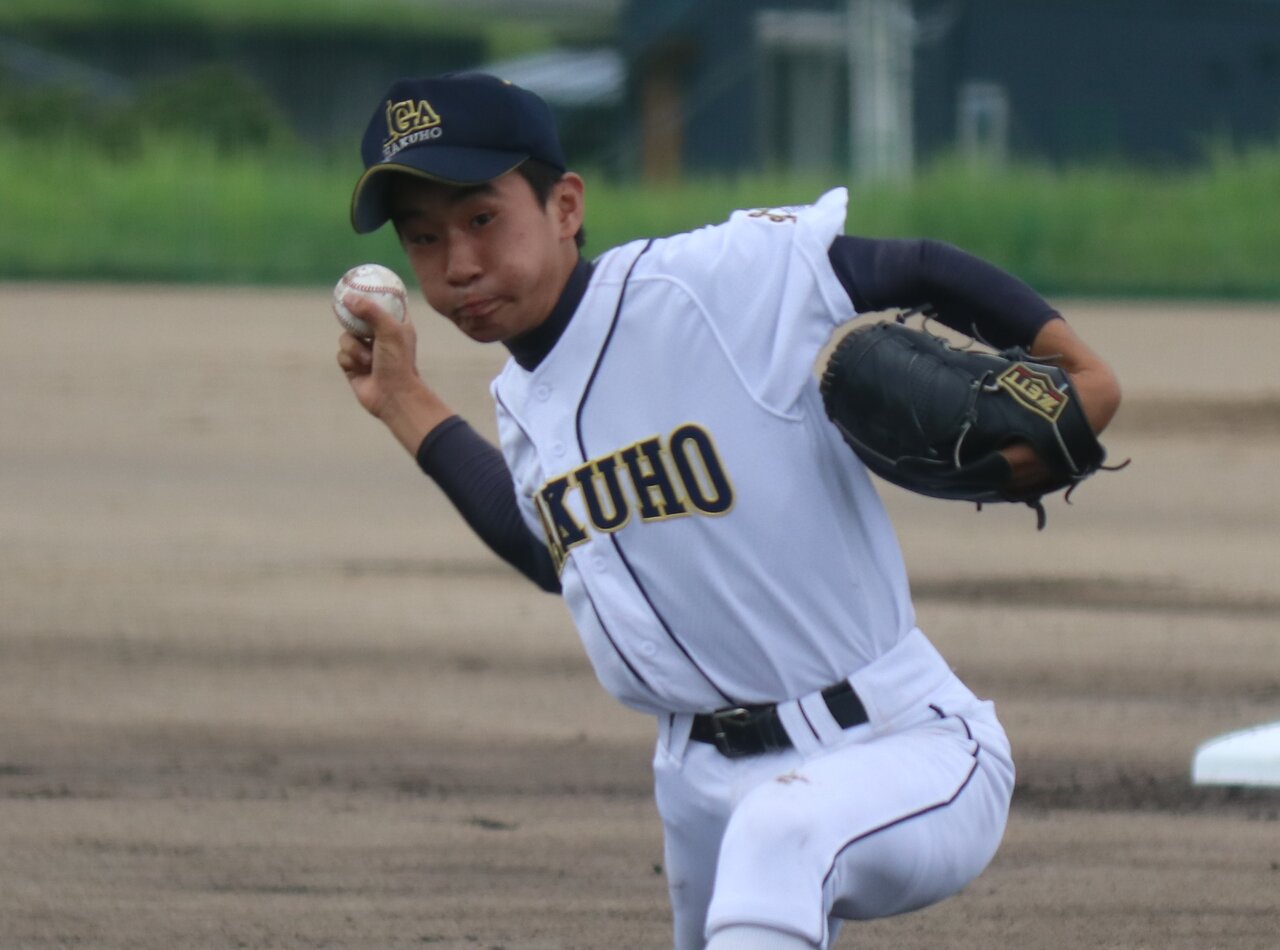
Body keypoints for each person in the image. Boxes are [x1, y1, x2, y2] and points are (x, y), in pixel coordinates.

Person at [336, 73, 1121, 950]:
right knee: (758, 856)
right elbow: (559, 556)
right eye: (424, 238)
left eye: (481, 219)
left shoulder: (698, 286)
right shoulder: (521, 400)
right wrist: (401, 400)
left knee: (779, 835)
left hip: (901, 747)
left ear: (564, 206)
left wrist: (1082, 370)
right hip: (698, 784)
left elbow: (912, 266)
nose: (458, 265)